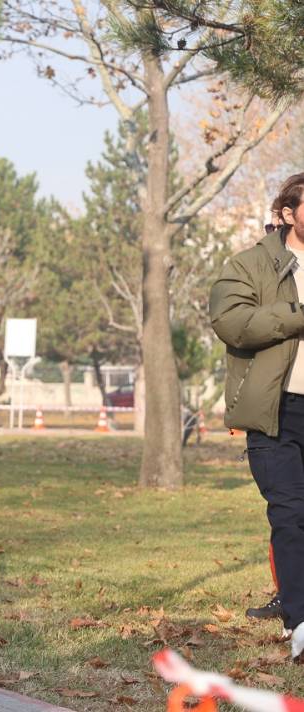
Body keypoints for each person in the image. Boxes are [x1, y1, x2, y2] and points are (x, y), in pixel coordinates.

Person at [211, 172, 304, 656]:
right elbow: (232, 323)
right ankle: (300, 622)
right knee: (290, 514)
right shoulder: (250, 265)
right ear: (287, 213)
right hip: (276, 412)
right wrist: (299, 313)